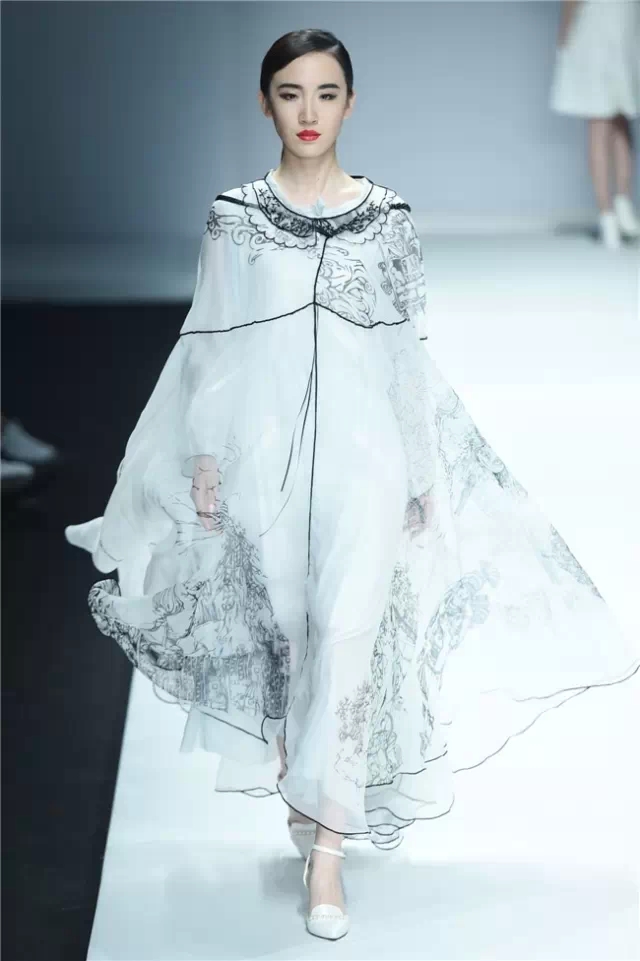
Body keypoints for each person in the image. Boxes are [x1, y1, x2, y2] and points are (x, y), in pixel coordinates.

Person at [64, 29, 639, 942]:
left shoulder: (388, 217)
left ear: (351, 103)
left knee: (349, 638)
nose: (308, 112)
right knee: (291, 637)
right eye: (291, 93)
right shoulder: (234, 217)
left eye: (326, 93)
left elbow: (408, 347)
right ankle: (308, 780)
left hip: (367, 458)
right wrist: (205, 459)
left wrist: (421, 469)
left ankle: (327, 852)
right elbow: (208, 340)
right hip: (266, 463)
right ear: (265, 103)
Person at [550, 0, 640, 248]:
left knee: (599, 123)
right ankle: (623, 207)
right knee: (620, 120)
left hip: (598, 29)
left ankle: (608, 216)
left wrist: (564, 33)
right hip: (626, 26)